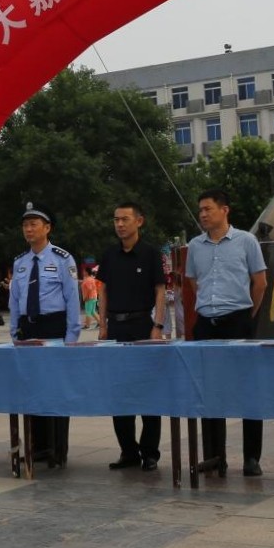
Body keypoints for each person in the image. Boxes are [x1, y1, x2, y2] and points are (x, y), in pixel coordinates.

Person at [185, 189, 269, 476]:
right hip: (207, 324)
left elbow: (260, 283)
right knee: (210, 390)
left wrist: (247, 315)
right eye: (200, 210)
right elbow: (194, 282)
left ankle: (251, 458)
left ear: (225, 210)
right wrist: (211, 306)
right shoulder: (195, 246)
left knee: (248, 390)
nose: (203, 215)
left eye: (208, 209)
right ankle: (214, 455)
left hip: (239, 321)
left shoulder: (246, 241)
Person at [8, 202, 81, 466]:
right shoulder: (20, 262)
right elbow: (15, 299)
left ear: (47, 228)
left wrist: (71, 338)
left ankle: (57, 450)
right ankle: (37, 446)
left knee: (56, 389)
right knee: (33, 388)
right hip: (29, 328)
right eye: (25, 225)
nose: (28, 229)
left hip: (54, 326)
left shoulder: (62, 259)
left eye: (34, 224)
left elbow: (73, 299)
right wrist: (14, 330)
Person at [96, 201, 168, 471]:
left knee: (149, 390)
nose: (119, 224)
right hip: (116, 328)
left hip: (142, 326)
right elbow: (103, 291)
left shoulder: (150, 254)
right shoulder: (110, 254)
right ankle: (128, 451)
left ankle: (150, 452)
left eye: (124, 219)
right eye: (116, 219)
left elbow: (160, 291)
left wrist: (158, 326)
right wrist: (102, 325)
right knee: (120, 392)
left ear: (139, 221)